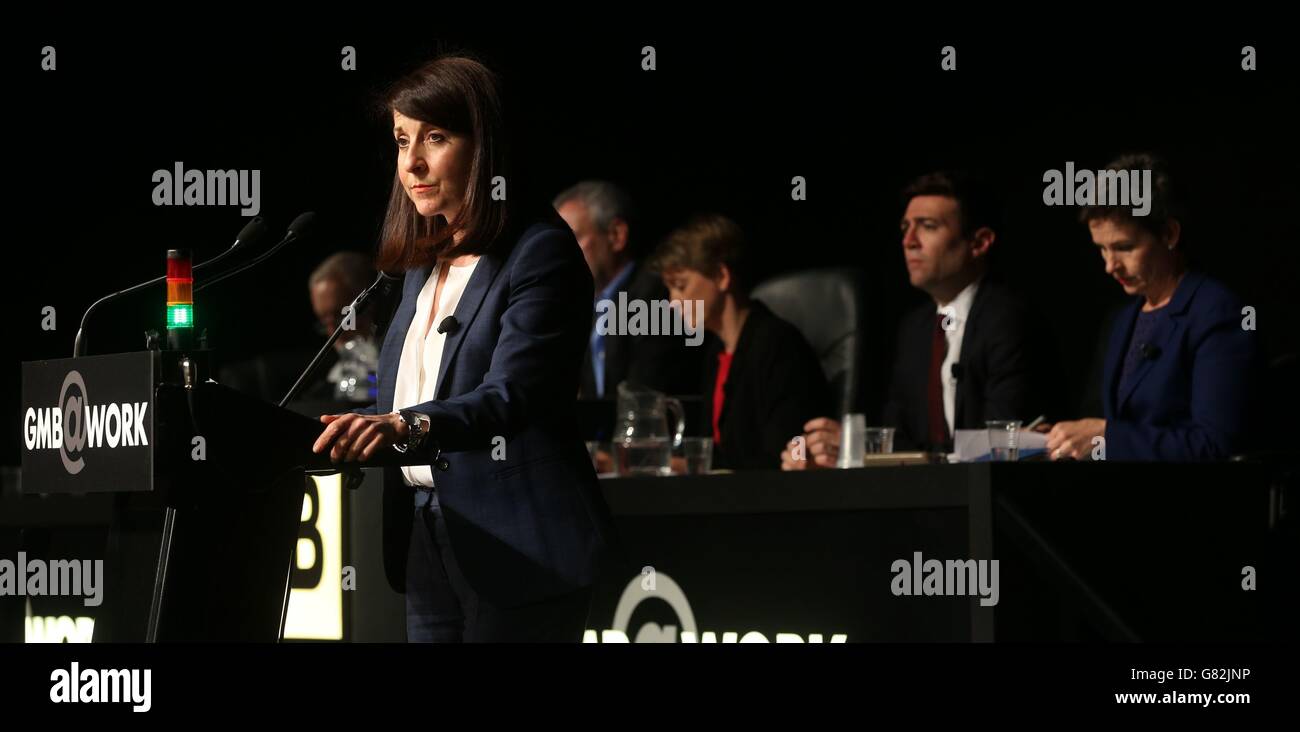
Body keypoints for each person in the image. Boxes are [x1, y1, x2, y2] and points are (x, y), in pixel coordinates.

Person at [312, 55, 616, 642]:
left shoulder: (538, 252)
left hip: (519, 544)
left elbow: (514, 396)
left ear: (485, 146)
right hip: (426, 529)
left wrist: (404, 428)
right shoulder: (423, 259)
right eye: (402, 141)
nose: (412, 163)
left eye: (436, 138)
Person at [781, 171, 1053, 469]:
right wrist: (840, 454)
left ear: (979, 242)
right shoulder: (915, 329)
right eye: (905, 228)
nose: (909, 241)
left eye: (928, 227)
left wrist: (856, 444)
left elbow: (1002, 441)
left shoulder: (1007, 319)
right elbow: (899, 438)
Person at [1042, 153, 1258, 461]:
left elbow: (1216, 444)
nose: (1109, 266)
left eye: (1124, 247)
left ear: (1169, 234)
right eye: (1102, 249)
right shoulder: (1121, 320)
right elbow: (1098, 421)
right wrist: (1066, 436)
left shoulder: (1219, 313)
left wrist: (1107, 437)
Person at [650, 214, 831, 470]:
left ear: (722, 277)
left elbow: (785, 457)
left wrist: (688, 466)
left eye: (680, 286)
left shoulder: (777, 346)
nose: (672, 301)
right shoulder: (716, 353)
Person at [554, 180, 701, 399]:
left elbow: (646, 396)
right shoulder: (579, 304)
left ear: (616, 235)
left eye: (573, 238)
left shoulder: (658, 295)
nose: (560, 255)